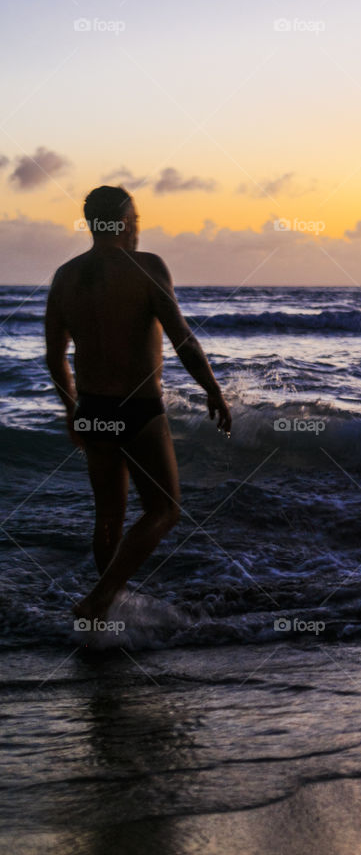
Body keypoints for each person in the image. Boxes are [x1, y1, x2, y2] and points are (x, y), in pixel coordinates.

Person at [45, 186, 231, 624]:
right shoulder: (147, 267)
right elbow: (182, 338)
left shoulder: (65, 276)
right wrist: (212, 389)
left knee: (109, 513)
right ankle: (101, 598)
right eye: (137, 218)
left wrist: (72, 409)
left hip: (92, 409)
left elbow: (55, 357)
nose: (139, 226)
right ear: (123, 221)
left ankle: (102, 619)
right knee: (164, 509)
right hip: (138, 410)